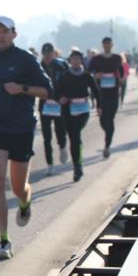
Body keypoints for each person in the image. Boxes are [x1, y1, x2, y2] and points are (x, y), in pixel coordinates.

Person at [0, 16, 53, 260]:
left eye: (5, 31)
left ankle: (25, 202)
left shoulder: (26, 60)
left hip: (21, 128)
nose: (0, 35)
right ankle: (4, 240)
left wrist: (22, 89)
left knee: (18, 187)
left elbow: (47, 90)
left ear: (14, 34)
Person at [56, 49, 98, 182]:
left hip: (83, 110)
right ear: (70, 60)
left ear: (81, 60)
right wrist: (60, 98)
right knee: (73, 138)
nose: (75, 61)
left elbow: (95, 90)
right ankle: (76, 165)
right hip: (68, 110)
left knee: (76, 134)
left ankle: (78, 166)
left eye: (77, 59)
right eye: (73, 59)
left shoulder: (87, 75)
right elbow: (56, 91)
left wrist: (100, 105)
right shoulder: (64, 76)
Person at [86, 37, 124, 158]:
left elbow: (122, 72)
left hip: (113, 93)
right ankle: (108, 134)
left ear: (112, 45)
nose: (107, 46)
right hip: (101, 93)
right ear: (102, 45)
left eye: (109, 44)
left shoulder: (117, 58)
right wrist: (96, 75)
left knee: (110, 119)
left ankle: (107, 146)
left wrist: (120, 80)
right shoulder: (97, 59)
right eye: (105, 44)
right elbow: (88, 72)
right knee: (103, 121)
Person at [38, 43, 69, 176]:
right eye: (44, 54)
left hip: (59, 104)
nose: (47, 57)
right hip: (45, 105)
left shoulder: (62, 65)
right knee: (46, 136)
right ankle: (49, 164)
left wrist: (66, 96)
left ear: (54, 53)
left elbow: (69, 81)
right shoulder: (38, 66)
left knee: (60, 131)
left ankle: (62, 147)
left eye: (49, 54)